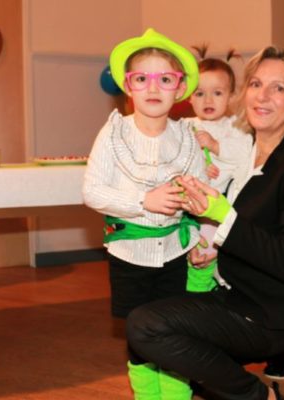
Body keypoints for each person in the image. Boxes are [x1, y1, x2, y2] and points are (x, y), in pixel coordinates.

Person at [126, 46, 284, 400]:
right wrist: (208, 235)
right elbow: (236, 226)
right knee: (145, 326)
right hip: (227, 292)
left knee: (147, 328)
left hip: (266, 314)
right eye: (256, 84)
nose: (263, 96)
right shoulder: (242, 153)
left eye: (279, 88)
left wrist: (222, 215)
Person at [82, 28, 207, 399]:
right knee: (140, 334)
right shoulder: (113, 135)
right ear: (127, 85)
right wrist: (142, 201)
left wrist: (203, 237)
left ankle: (176, 395)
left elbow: (202, 197)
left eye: (165, 79)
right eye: (142, 79)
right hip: (129, 256)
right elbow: (92, 191)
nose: (154, 88)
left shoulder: (186, 137)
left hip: (176, 254)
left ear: (179, 88)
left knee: (176, 331)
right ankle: (148, 396)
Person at [185, 45, 253, 293]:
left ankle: (204, 295)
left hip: (218, 206)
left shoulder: (236, 127)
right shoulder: (185, 126)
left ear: (232, 96)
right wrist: (200, 165)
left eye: (217, 93)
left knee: (207, 255)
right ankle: (190, 298)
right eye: (200, 93)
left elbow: (244, 155)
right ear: (189, 96)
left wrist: (215, 146)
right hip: (186, 206)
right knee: (187, 255)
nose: (208, 100)